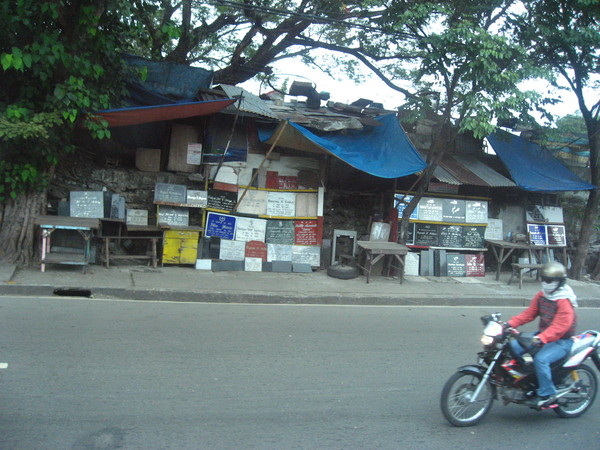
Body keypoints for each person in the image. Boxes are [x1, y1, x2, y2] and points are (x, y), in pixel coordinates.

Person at [506, 261, 578, 407]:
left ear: (559, 282)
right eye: (544, 279)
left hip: (561, 341)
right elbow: (529, 314)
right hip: (542, 335)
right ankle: (526, 380)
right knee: (512, 347)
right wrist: (509, 324)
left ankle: (547, 393)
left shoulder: (564, 301)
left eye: (549, 280)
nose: (546, 283)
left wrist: (541, 338)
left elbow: (560, 327)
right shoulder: (542, 295)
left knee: (541, 359)